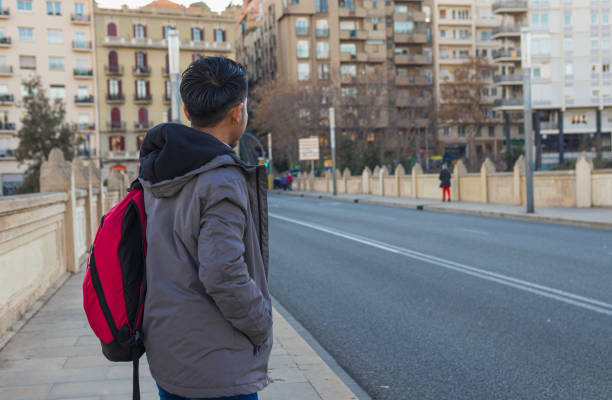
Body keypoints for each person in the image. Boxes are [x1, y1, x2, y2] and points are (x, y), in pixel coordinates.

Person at [138, 57, 272, 400]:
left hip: (169, 354)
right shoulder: (221, 179)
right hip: (216, 366)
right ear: (237, 111)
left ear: (186, 110)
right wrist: (260, 324)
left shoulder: (156, 173)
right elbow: (222, 272)